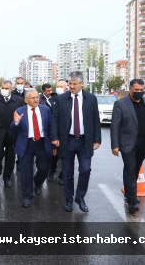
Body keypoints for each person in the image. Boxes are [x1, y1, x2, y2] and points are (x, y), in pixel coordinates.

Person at [51, 71, 101, 213]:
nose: (71, 86)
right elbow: (54, 119)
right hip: (67, 141)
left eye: (74, 84)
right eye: (70, 84)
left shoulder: (91, 99)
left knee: (85, 169)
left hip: (85, 141)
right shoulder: (61, 99)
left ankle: (80, 197)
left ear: (82, 84)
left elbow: (95, 119)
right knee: (67, 172)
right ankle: (68, 199)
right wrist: (54, 137)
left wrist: (97, 139)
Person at [110, 79, 145, 214]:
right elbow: (115, 126)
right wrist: (115, 145)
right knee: (130, 170)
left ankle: (130, 193)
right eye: (136, 90)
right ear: (130, 89)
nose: (139, 92)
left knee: (136, 169)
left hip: (143, 143)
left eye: (141, 90)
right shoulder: (120, 103)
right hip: (127, 143)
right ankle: (132, 202)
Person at [11, 88, 56, 208]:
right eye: (33, 98)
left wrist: (53, 143)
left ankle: (38, 182)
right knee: (26, 171)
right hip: (27, 144)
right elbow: (13, 129)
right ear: (26, 100)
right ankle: (27, 196)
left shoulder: (45, 109)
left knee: (44, 168)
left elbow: (51, 127)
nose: (36, 99)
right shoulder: (20, 111)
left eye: (37, 97)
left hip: (42, 143)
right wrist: (16, 122)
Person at [0, 80, 25, 188]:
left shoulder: (18, 101)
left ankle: (7, 177)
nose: (4, 90)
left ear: (11, 90)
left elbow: (23, 118)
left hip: (12, 133)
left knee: (10, 155)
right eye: (2, 88)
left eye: (6, 88)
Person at [46, 81, 66, 184]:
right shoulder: (50, 100)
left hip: (66, 132)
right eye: (57, 86)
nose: (59, 88)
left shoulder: (70, 99)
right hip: (54, 131)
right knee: (54, 155)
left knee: (66, 156)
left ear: (65, 88)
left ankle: (63, 174)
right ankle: (52, 171)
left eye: (61, 86)